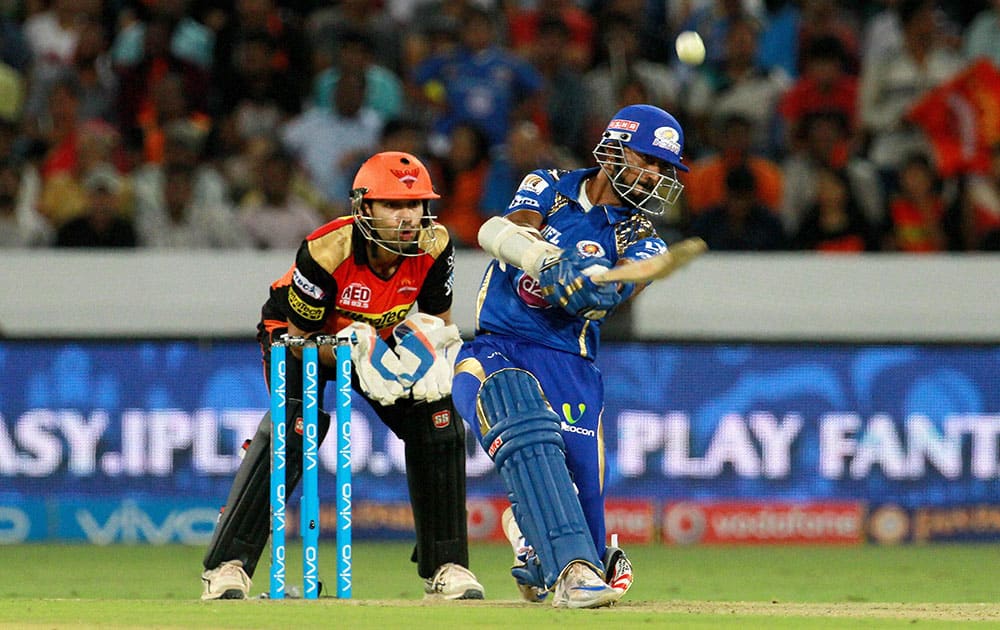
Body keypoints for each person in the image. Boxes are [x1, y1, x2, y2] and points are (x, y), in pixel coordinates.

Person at [201, 151, 483, 601]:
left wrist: (418, 358)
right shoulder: (326, 250)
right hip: (299, 339)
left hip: (379, 339)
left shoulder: (435, 245)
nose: (408, 217)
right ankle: (228, 566)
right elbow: (303, 339)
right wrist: (359, 355)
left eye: (415, 205)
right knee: (296, 428)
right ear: (364, 208)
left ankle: (446, 567)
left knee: (439, 421)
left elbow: (434, 324)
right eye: (393, 205)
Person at [451, 104, 690, 608]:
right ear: (617, 148)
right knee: (522, 423)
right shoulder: (550, 185)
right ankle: (569, 568)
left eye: (666, 170)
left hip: (571, 366)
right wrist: (548, 260)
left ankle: (539, 545)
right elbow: (499, 232)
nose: (656, 178)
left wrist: (598, 290)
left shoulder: (638, 235)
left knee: (582, 515)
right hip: (498, 346)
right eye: (650, 161)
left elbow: (627, 284)